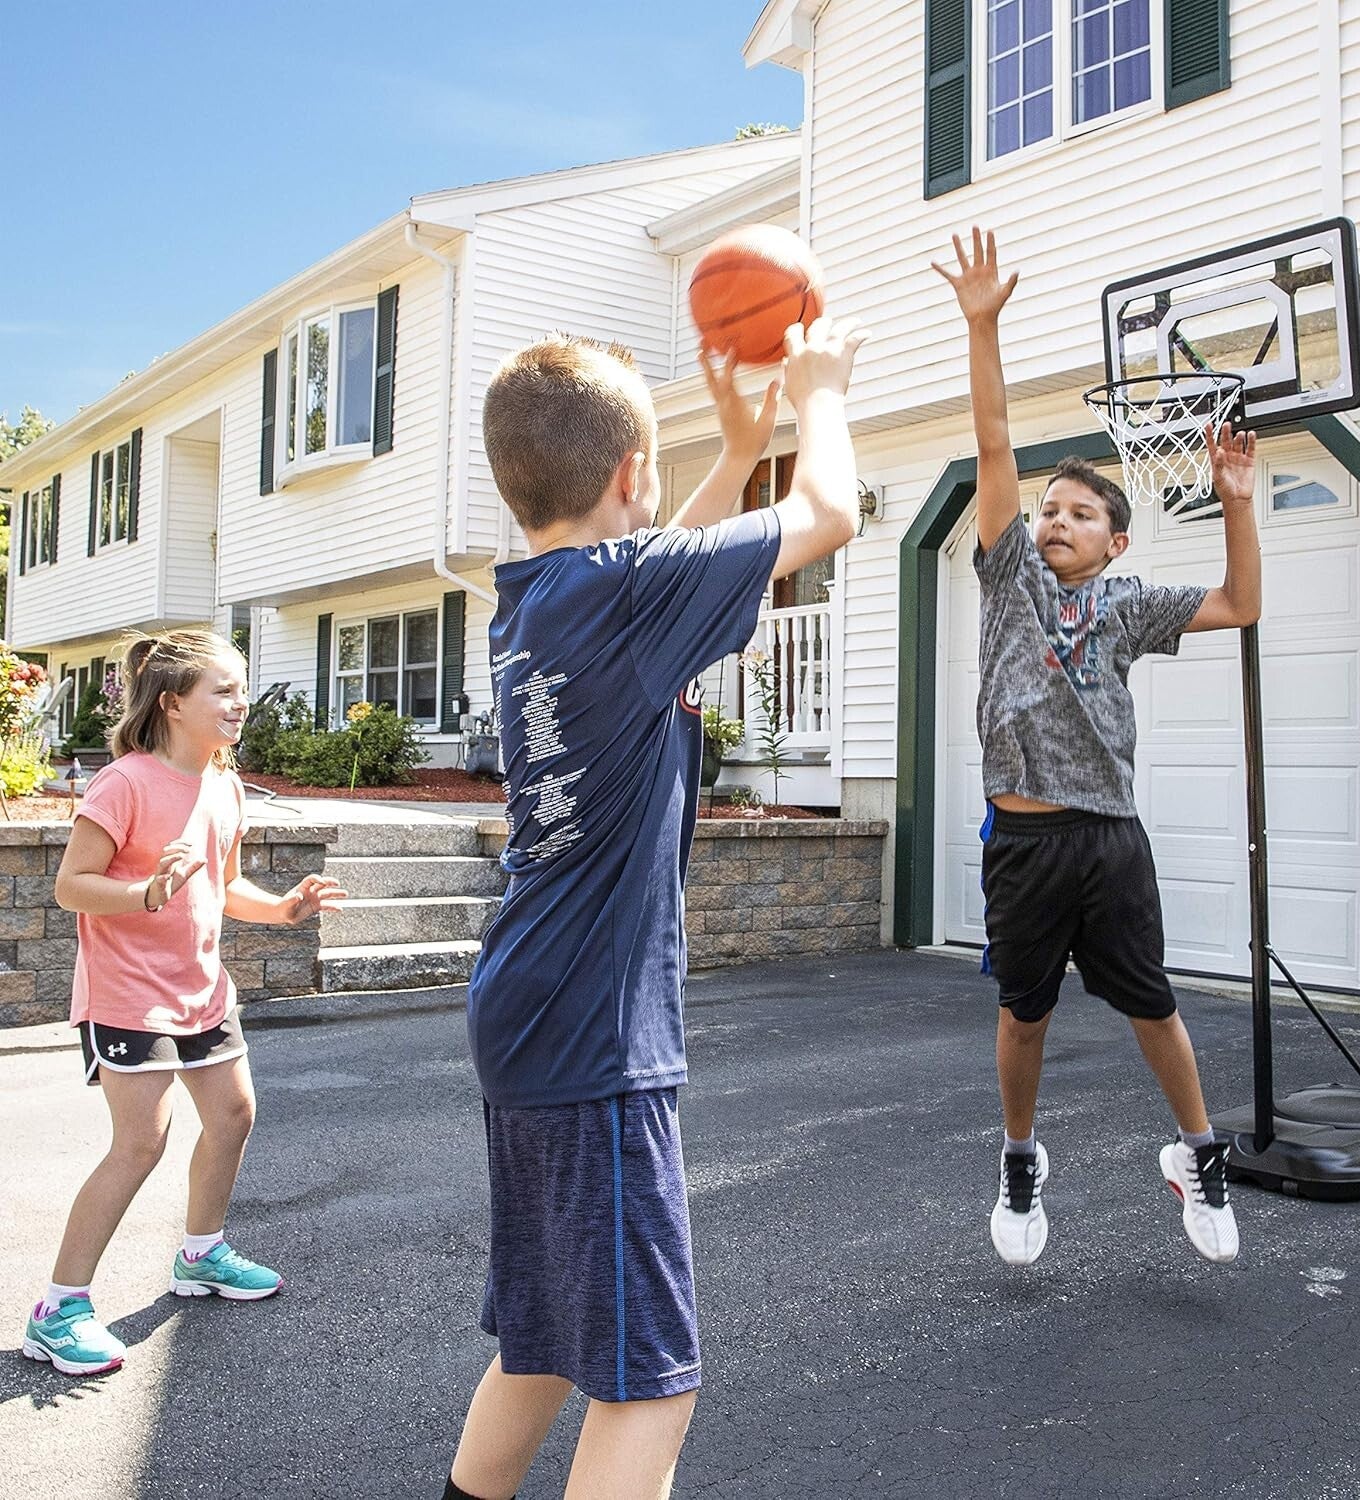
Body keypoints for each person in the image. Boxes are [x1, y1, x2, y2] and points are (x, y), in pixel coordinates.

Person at [447, 322, 864, 1500]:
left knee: (542, 1346)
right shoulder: (620, 598)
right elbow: (827, 514)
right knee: (649, 1382)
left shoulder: (538, 600)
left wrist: (732, 454)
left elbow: (654, 566)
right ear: (630, 474)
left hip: (529, 1011)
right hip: (590, 1037)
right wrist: (814, 400)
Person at [933, 228, 1259, 1268]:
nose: (1056, 519)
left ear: (1117, 539)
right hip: (1023, 844)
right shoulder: (1010, 583)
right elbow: (993, 449)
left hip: (1110, 840)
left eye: (1079, 512)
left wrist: (1240, 504)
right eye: (1049, 509)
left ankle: (1198, 1152)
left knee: (1151, 1006)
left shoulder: (1127, 606)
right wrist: (983, 326)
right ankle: (1021, 1157)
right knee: (1023, 1015)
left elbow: (1241, 603)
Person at [21, 630, 345, 1377]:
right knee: (141, 1144)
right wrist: (143, 892)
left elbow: (223, 887)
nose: (240, 704)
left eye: (241, 689)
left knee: (233, 1116)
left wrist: (284, 909)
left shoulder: (223, 782)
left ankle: (201, 1253)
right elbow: (71, 885)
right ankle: (58, 1310)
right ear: (172, 703)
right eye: (223, 692)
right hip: (129, 995)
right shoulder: (124, 783)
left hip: (202, 989)